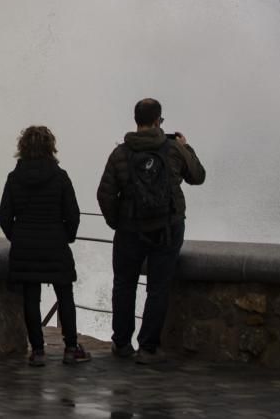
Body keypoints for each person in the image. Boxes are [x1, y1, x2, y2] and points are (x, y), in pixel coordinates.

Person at [96, 98, 206, 364]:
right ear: (158, 120)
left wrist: (117, 222)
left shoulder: (120, 153)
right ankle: (148, 348)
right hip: (167, 229)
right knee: (158, 288)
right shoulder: (172, 150)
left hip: (129, 231)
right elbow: (198, 176)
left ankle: (122, 344)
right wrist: (185, 146)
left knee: (124, 285)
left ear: (136, 120)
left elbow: (105, 194)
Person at [0, 125, 89, 367]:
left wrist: (17, 236)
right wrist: (66, 236)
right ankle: (71, 348)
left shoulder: (14, 178)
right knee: (64, 294)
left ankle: (37, 350)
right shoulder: (60, 177)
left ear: (22, 148)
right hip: (55, 243)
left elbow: (4, 216)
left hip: (25, 245)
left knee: (31, 297)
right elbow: (73, 214)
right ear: (51, 147)